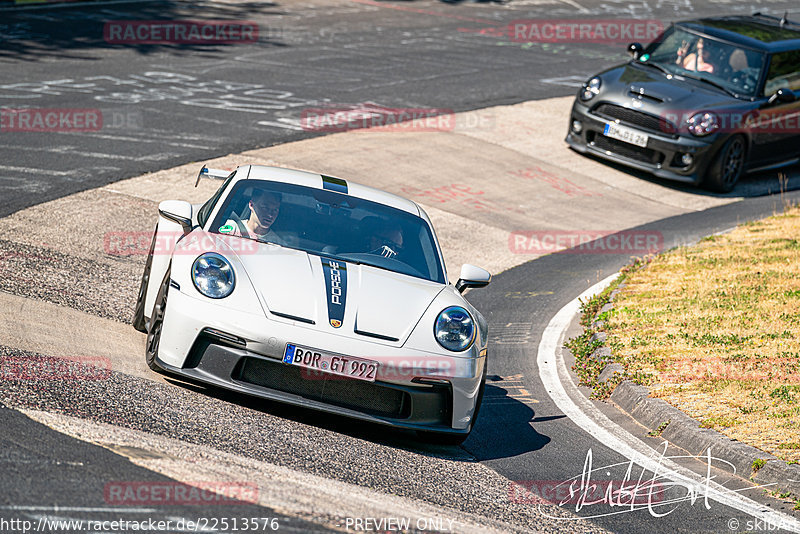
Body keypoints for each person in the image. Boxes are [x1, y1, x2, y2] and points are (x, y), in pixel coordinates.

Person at [219, 189, 287, 245]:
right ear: (251, 205)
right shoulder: (231, 228)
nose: (270, 215)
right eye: (265, 207)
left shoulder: (279, 244)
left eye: (275, 210)